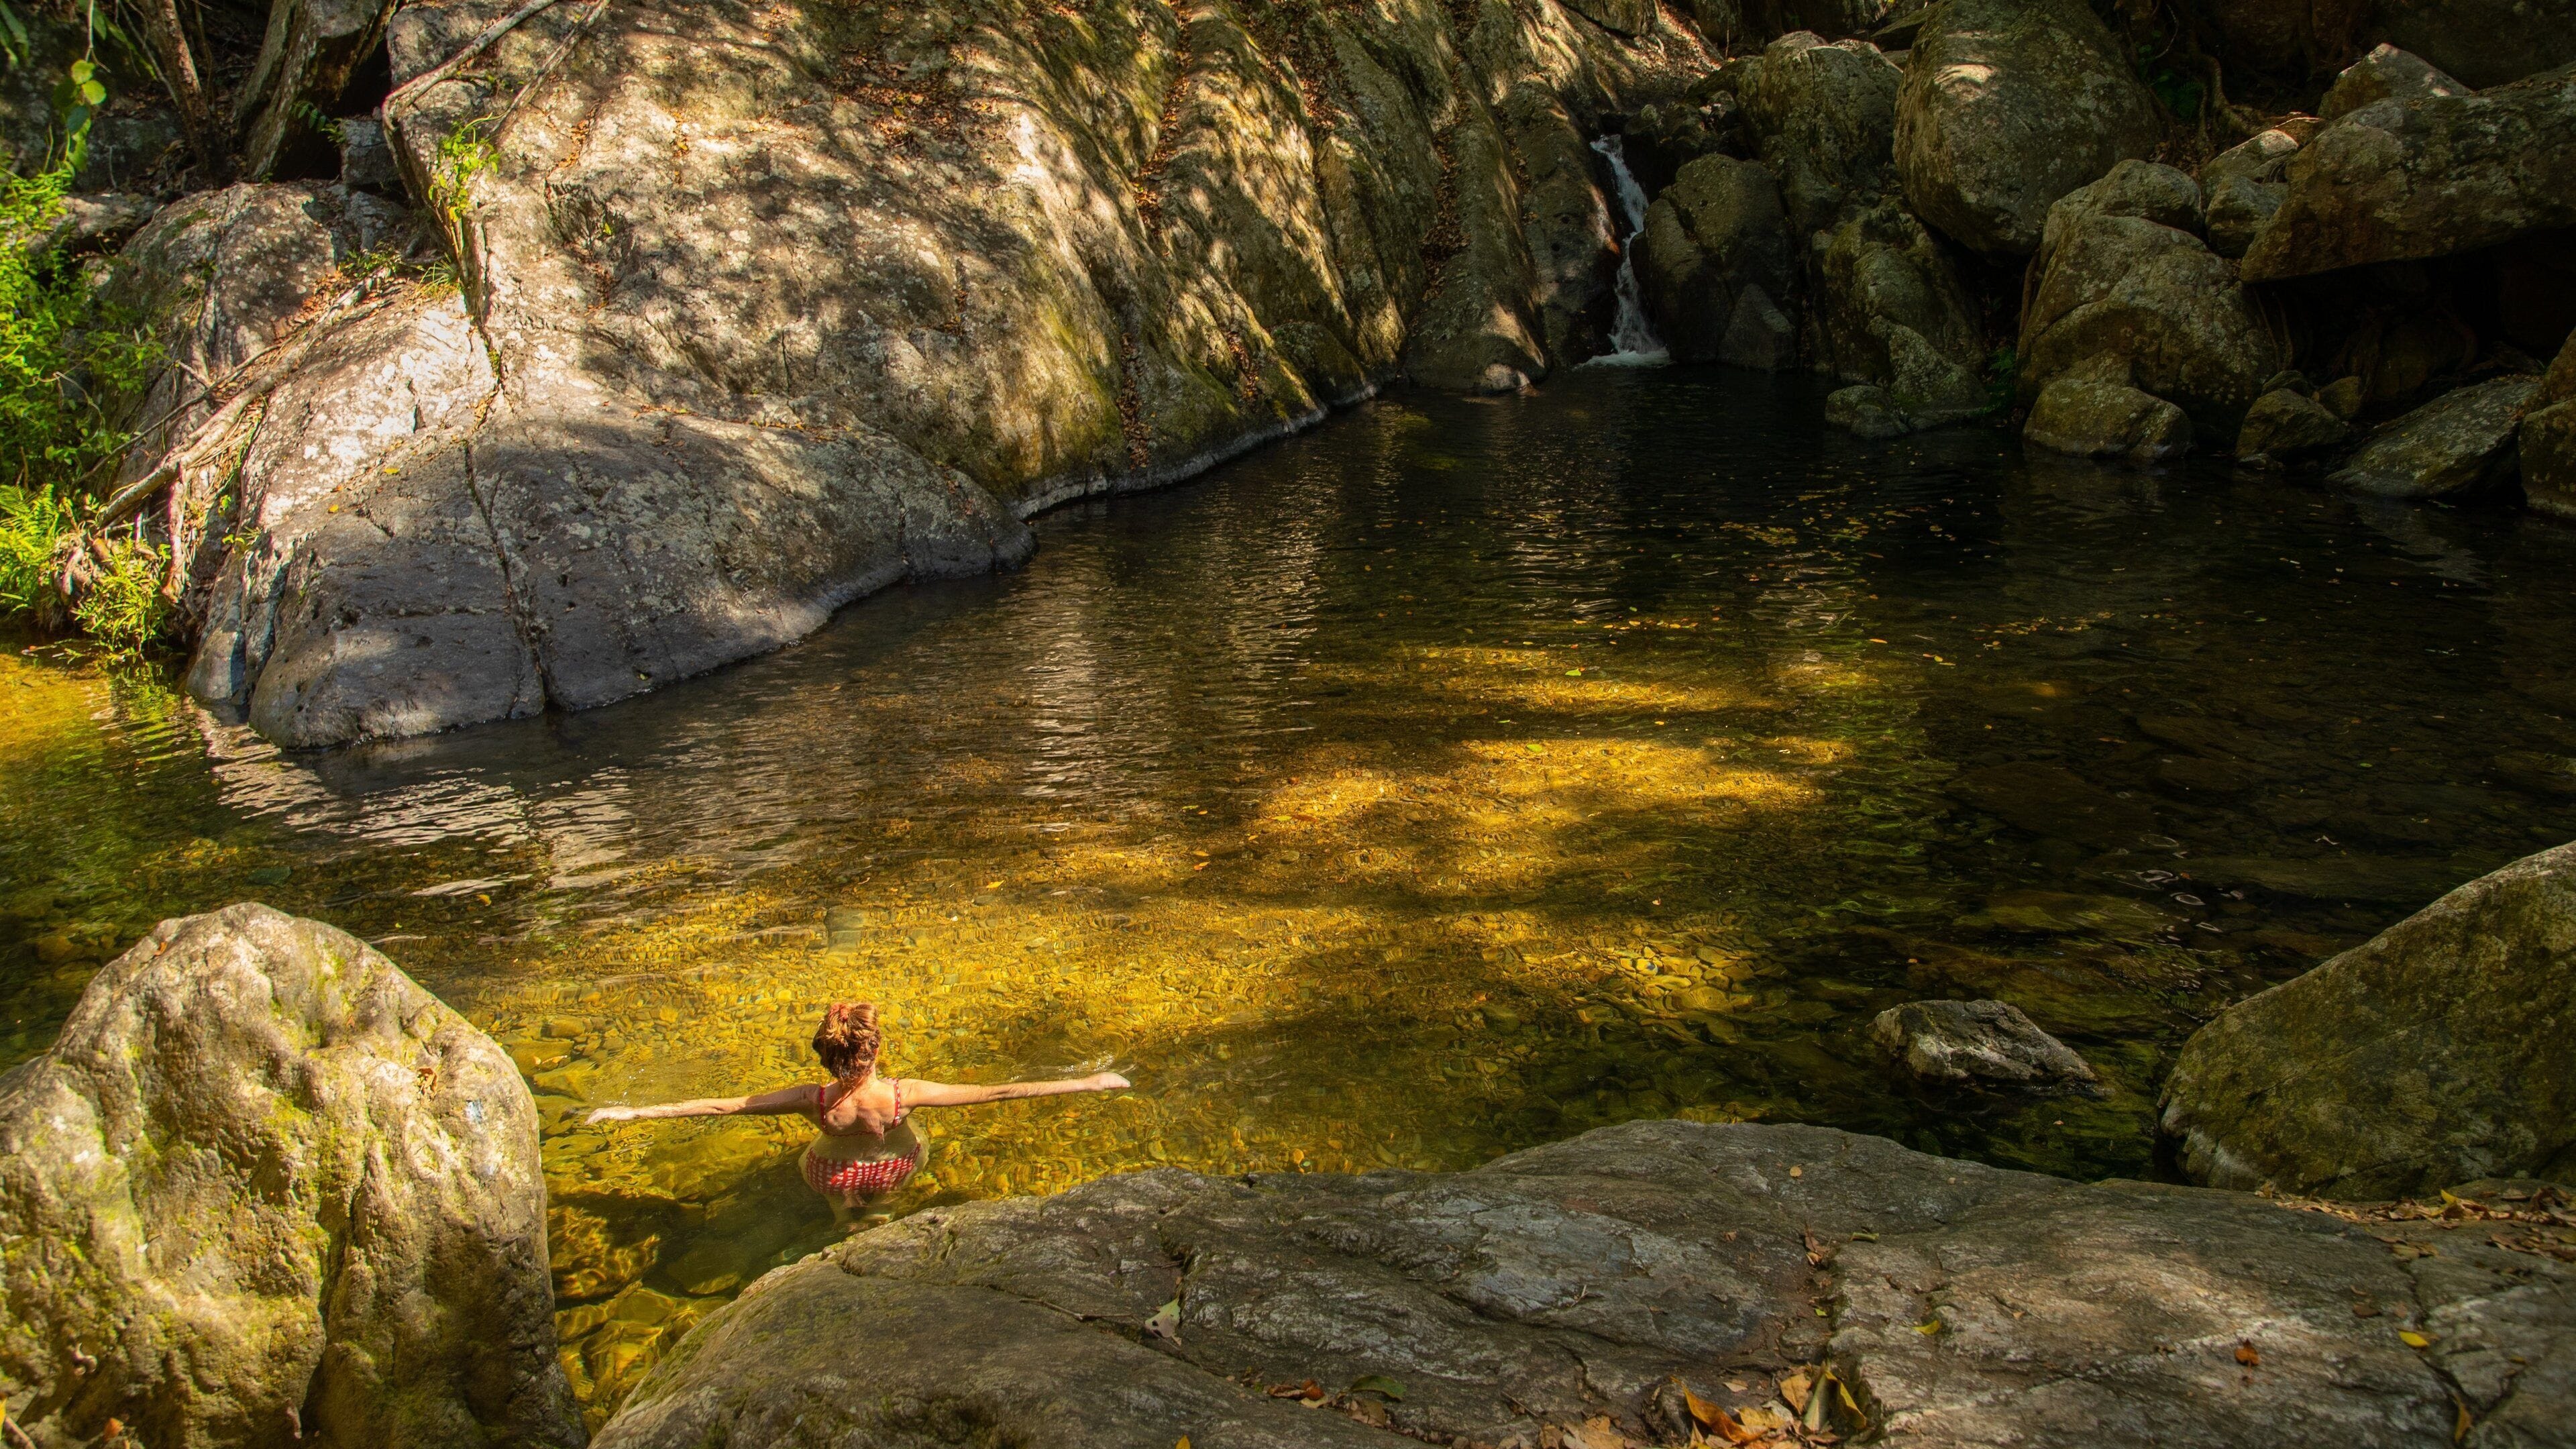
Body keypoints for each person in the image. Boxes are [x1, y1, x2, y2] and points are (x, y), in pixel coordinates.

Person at [586, 1001, 1130, 1229]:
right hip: (893, 1165)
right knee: (881, 1221)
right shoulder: (903, 1094)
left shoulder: (812, 1100)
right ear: (876, 1050)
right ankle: (875, 1230)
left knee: (843, 1218)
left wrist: (631, 1113)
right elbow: (995, 1094)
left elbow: (720, 1106)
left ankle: (846, 1226)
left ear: (826, 1056)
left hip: (828, 1171)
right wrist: (1089, 1080)